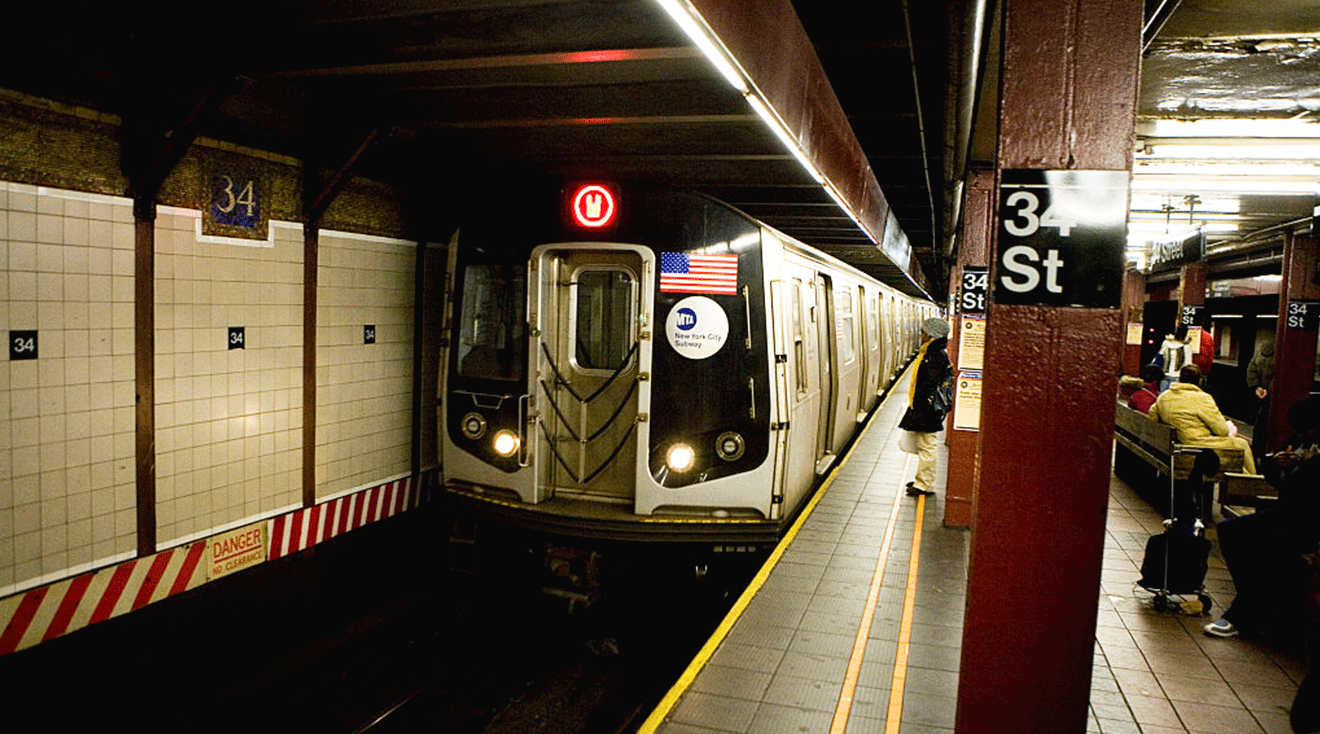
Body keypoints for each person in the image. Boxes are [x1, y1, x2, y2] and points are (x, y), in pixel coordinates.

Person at [1203, 396, 1320, 640]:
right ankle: (1253, 602)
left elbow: (1310, 488)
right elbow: (1274, 476)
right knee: (1230, 531)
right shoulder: (1298, 440)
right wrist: (1276, 464)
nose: (1305, 433)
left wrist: (1305, 467)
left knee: (1270, 547)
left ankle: (1241, 615)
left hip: (1309, 523)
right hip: (1286, 514)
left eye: (1309, 427)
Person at [1148, 363, 1257, 474]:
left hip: (1177, 443)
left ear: (1179, 379)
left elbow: (1152, 415)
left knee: (1237, 453)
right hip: (1199, 445)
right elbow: (1222, 430)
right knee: (1242, 444)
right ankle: (1253, 483)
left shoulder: (1164, 396)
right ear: (1200, 381)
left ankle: (1250, 482)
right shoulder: (1203, 399)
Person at [899, 317, 953, 497]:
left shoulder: (936, 355)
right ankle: (921, 479)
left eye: (924, 332)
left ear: (932, 335)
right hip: (925, 407)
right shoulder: (932, 352)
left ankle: (925, 485)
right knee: (924, 444)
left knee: (927, 446)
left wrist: (920, 409)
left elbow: (929, 384)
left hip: (928, 409)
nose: (921, 335)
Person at [1246, 340, 1275, 461]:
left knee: (1260, 422)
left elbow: (1251, 370)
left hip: (1260, 392)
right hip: (1272, 394)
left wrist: (1256, 387)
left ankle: (1256, 452)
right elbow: (1281, 374)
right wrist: (1270, 389)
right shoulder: (1282, 352)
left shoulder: (1260, 351)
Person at [1158, 325, 1194, 391]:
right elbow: (1188, 364)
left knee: (1163, 397)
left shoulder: (1166, 343)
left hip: (1165, 375)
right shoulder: (1186, 346)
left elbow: (1160, 356)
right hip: (1178, 377)